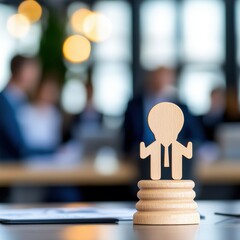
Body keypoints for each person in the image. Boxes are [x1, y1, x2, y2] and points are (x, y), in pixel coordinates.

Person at [123, 67, 205, 180]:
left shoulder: (181, 107)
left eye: (164, 77)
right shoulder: (134, 105)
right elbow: (126, 139)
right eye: (157, 77)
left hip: (176, 161)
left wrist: (190, 148)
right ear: (149, 79)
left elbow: (196, 136)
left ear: (171, 80)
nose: (160, 81)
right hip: (140, 162)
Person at [0, 55, 41, 161]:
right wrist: (53, 150)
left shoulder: (21, 102)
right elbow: (18, 147)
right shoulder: (4, 104)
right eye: (34, 71)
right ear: (23, 73)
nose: (37, 77)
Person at [18, 73, 62, 155]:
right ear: (39, 89)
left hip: (49, 157)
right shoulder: (26, 111)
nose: (49, 93)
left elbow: (54, 140)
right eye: (47, 90)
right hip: (29, 156)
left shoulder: (53, 113)